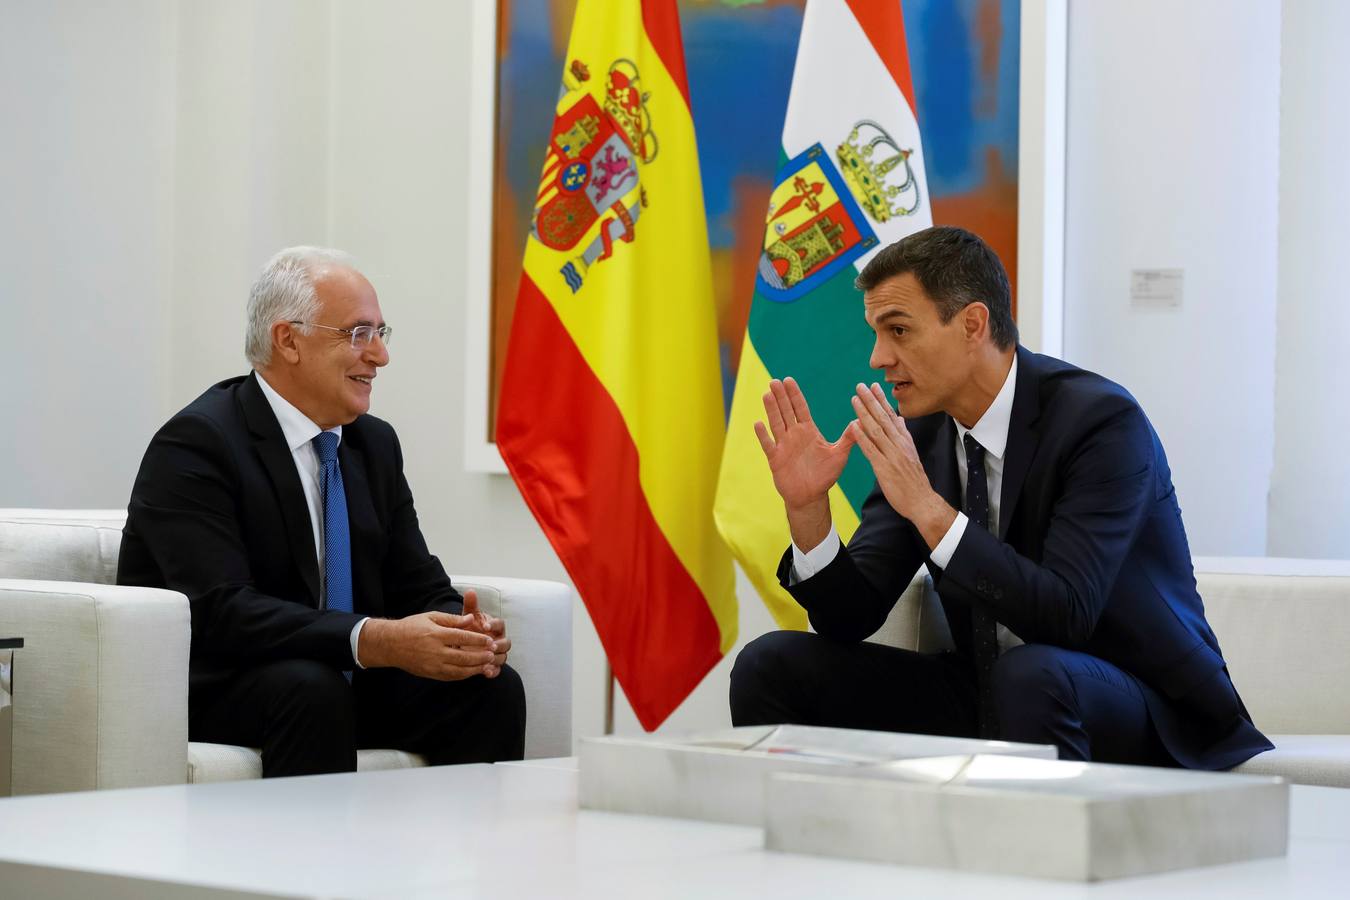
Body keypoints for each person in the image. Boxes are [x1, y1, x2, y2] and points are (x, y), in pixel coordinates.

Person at [730, 226, 1271, 769]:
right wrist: (807, 509)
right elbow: (848, 619)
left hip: (1137, 701)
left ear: (972, 324)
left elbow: (1065, 615)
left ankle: (1028, 855)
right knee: (770, 664)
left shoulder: (1101, 423)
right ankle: (809, 845)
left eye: (898, 330)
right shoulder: (921, 436)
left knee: (1030, 676)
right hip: (993, 692)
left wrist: (930, 511)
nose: (877, 357)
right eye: (876, 333)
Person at [118, 247, 525, 776]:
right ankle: (315, 861)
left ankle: (469, 857)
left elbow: (412, 579)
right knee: (312, 689)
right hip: (226, 680)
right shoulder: (198, 443)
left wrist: (462, 632)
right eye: (358, 333)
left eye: (382, 333)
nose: (380, 356)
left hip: (334, 674)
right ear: (288, 340)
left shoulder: (373, 445)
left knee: (487, 690)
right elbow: (221, 611)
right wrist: (373, 639)